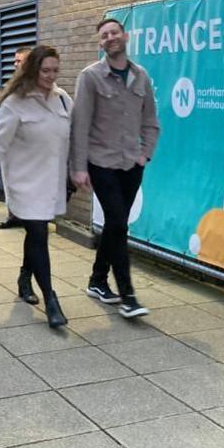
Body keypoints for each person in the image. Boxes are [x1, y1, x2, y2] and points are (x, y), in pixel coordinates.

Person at [0, 45, 71, 328]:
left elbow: (73, 136)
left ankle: (25, 277)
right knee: (39, 233)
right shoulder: (15, 103)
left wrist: (79, 169)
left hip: (52, 180)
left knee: (36, 234)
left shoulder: (63, 100)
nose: (51, 76)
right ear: (32, 70)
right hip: (24, 182)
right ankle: (51, 300)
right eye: (45, 70)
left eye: (55, 70)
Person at [70, 18, 160, 318]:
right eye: (104, 35)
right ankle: (128, 296)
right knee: (119, 224)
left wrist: (145, 154)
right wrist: (79, 167)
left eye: (114, 33)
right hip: (101, 163)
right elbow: (79, 124)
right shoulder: (91, 77)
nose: (110, 38)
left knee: (115, 224)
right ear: (100, 43)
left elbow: (150, 120)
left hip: (131, 163)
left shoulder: (140, 76)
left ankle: (97, 281)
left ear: (125, 36)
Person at [0, 46, 32, 230]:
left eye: (19, 61)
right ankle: (13, 216)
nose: (15, 64)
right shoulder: (13, 85)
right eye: (15, 60)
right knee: (5, 185)